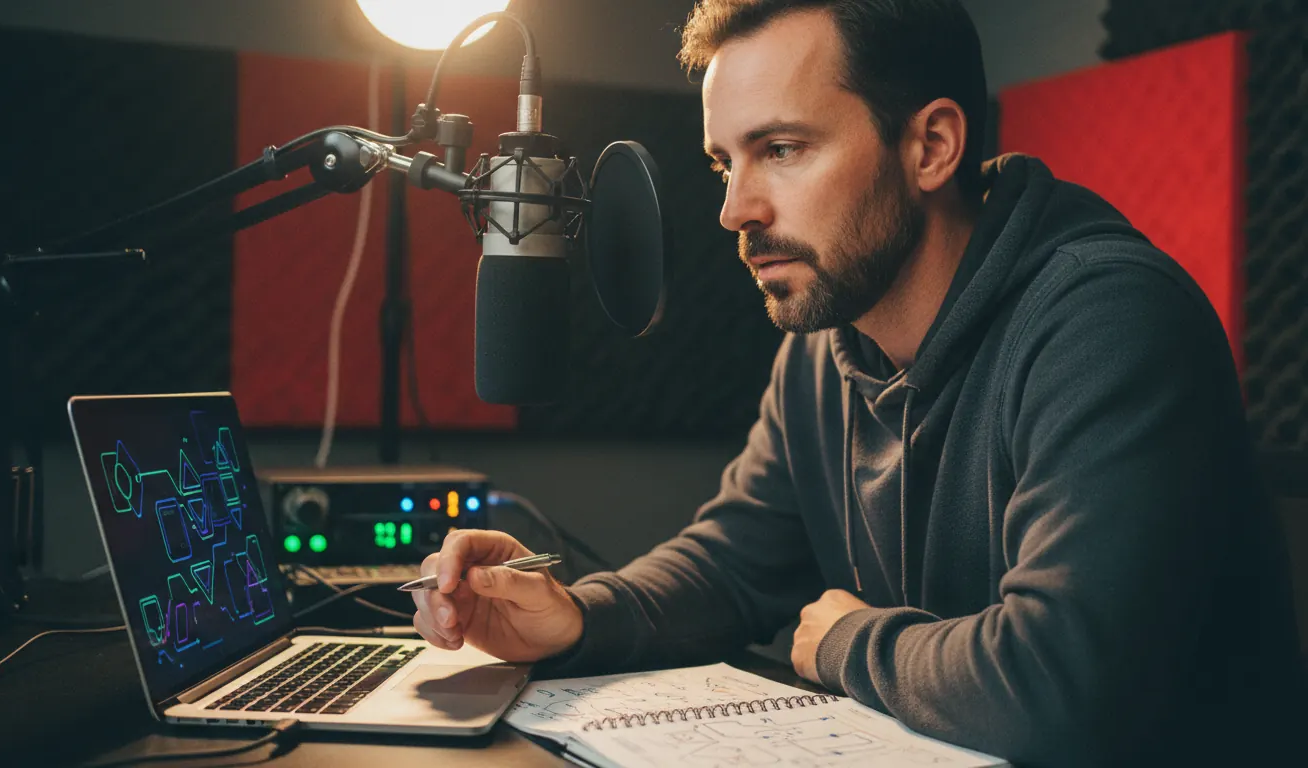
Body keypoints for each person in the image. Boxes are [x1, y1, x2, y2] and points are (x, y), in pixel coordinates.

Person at [411, 1, 1302, 764]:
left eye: (784, 149)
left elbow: (1067, 682)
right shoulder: (828, 337)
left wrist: (846, 641)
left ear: (933, 146)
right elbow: (730, 565)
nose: (735, 211)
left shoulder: (1106, 322)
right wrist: (573, 615)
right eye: (727, 163)